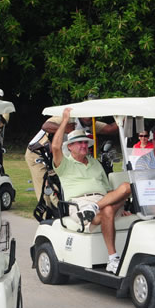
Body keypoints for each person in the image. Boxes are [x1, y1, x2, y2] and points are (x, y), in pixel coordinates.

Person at [52, 108, 131, 273]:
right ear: (71, 147)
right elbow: (55, 147)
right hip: (80, 203)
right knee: (108, 209)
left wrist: (121, 206)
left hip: (100, 201)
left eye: (85, 143)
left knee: (126, 188)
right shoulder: (64, 164)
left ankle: (95, 208)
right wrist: (65, 120)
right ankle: (113, 258)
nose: (84, 145)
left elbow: (109, 191)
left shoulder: (95, 163)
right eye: (79, 143)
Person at [25, 108, 118, 204]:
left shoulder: (90, 122)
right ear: (80, 114)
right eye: (87, 116)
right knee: (45, 188)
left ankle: (61, 209)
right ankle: (47, 213)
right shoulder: (69, 117)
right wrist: (65, 127)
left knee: (61, 184)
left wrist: (124, 117)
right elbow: (46, 126)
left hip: (58, 155)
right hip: (37, 153)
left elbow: (110, 128)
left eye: (92, 116)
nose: (90, 117)